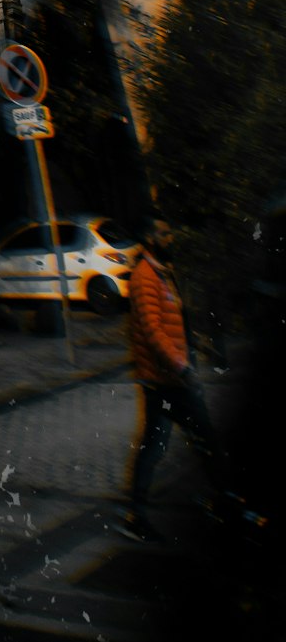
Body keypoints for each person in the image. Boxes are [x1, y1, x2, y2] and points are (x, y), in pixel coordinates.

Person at [120, 212, 229, 541]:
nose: (171, 239)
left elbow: (172, 322)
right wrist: (181, 365)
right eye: (165, 234)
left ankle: (136, 514)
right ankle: (226, 504)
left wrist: (195, 349)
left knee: (158, 444)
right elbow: (153, 331)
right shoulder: (144, 277)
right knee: (203, 438)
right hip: (166, 380)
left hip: (168, 380)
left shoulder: (161, 273)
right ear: (150, 238)